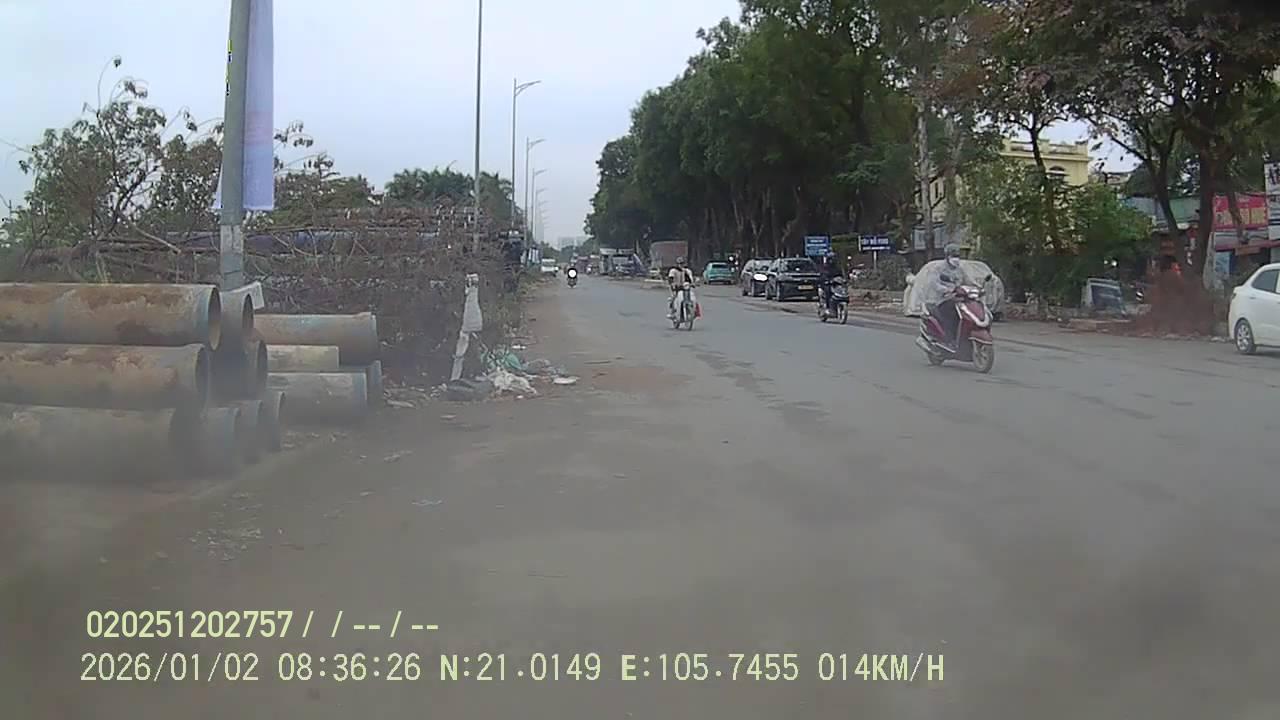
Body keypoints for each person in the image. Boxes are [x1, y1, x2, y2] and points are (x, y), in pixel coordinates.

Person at [924, 244, 973, 352]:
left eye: (957, 256)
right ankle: (949, 340)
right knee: (952, 315)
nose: (956, 259)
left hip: (957, 298)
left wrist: (978, 288)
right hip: (942, 300)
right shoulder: (938, 268)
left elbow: (968, 281)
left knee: (968, 313)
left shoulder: (959, 269)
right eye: (953, 256)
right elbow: (934, 284)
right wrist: (947, 290)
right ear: (947, 256)